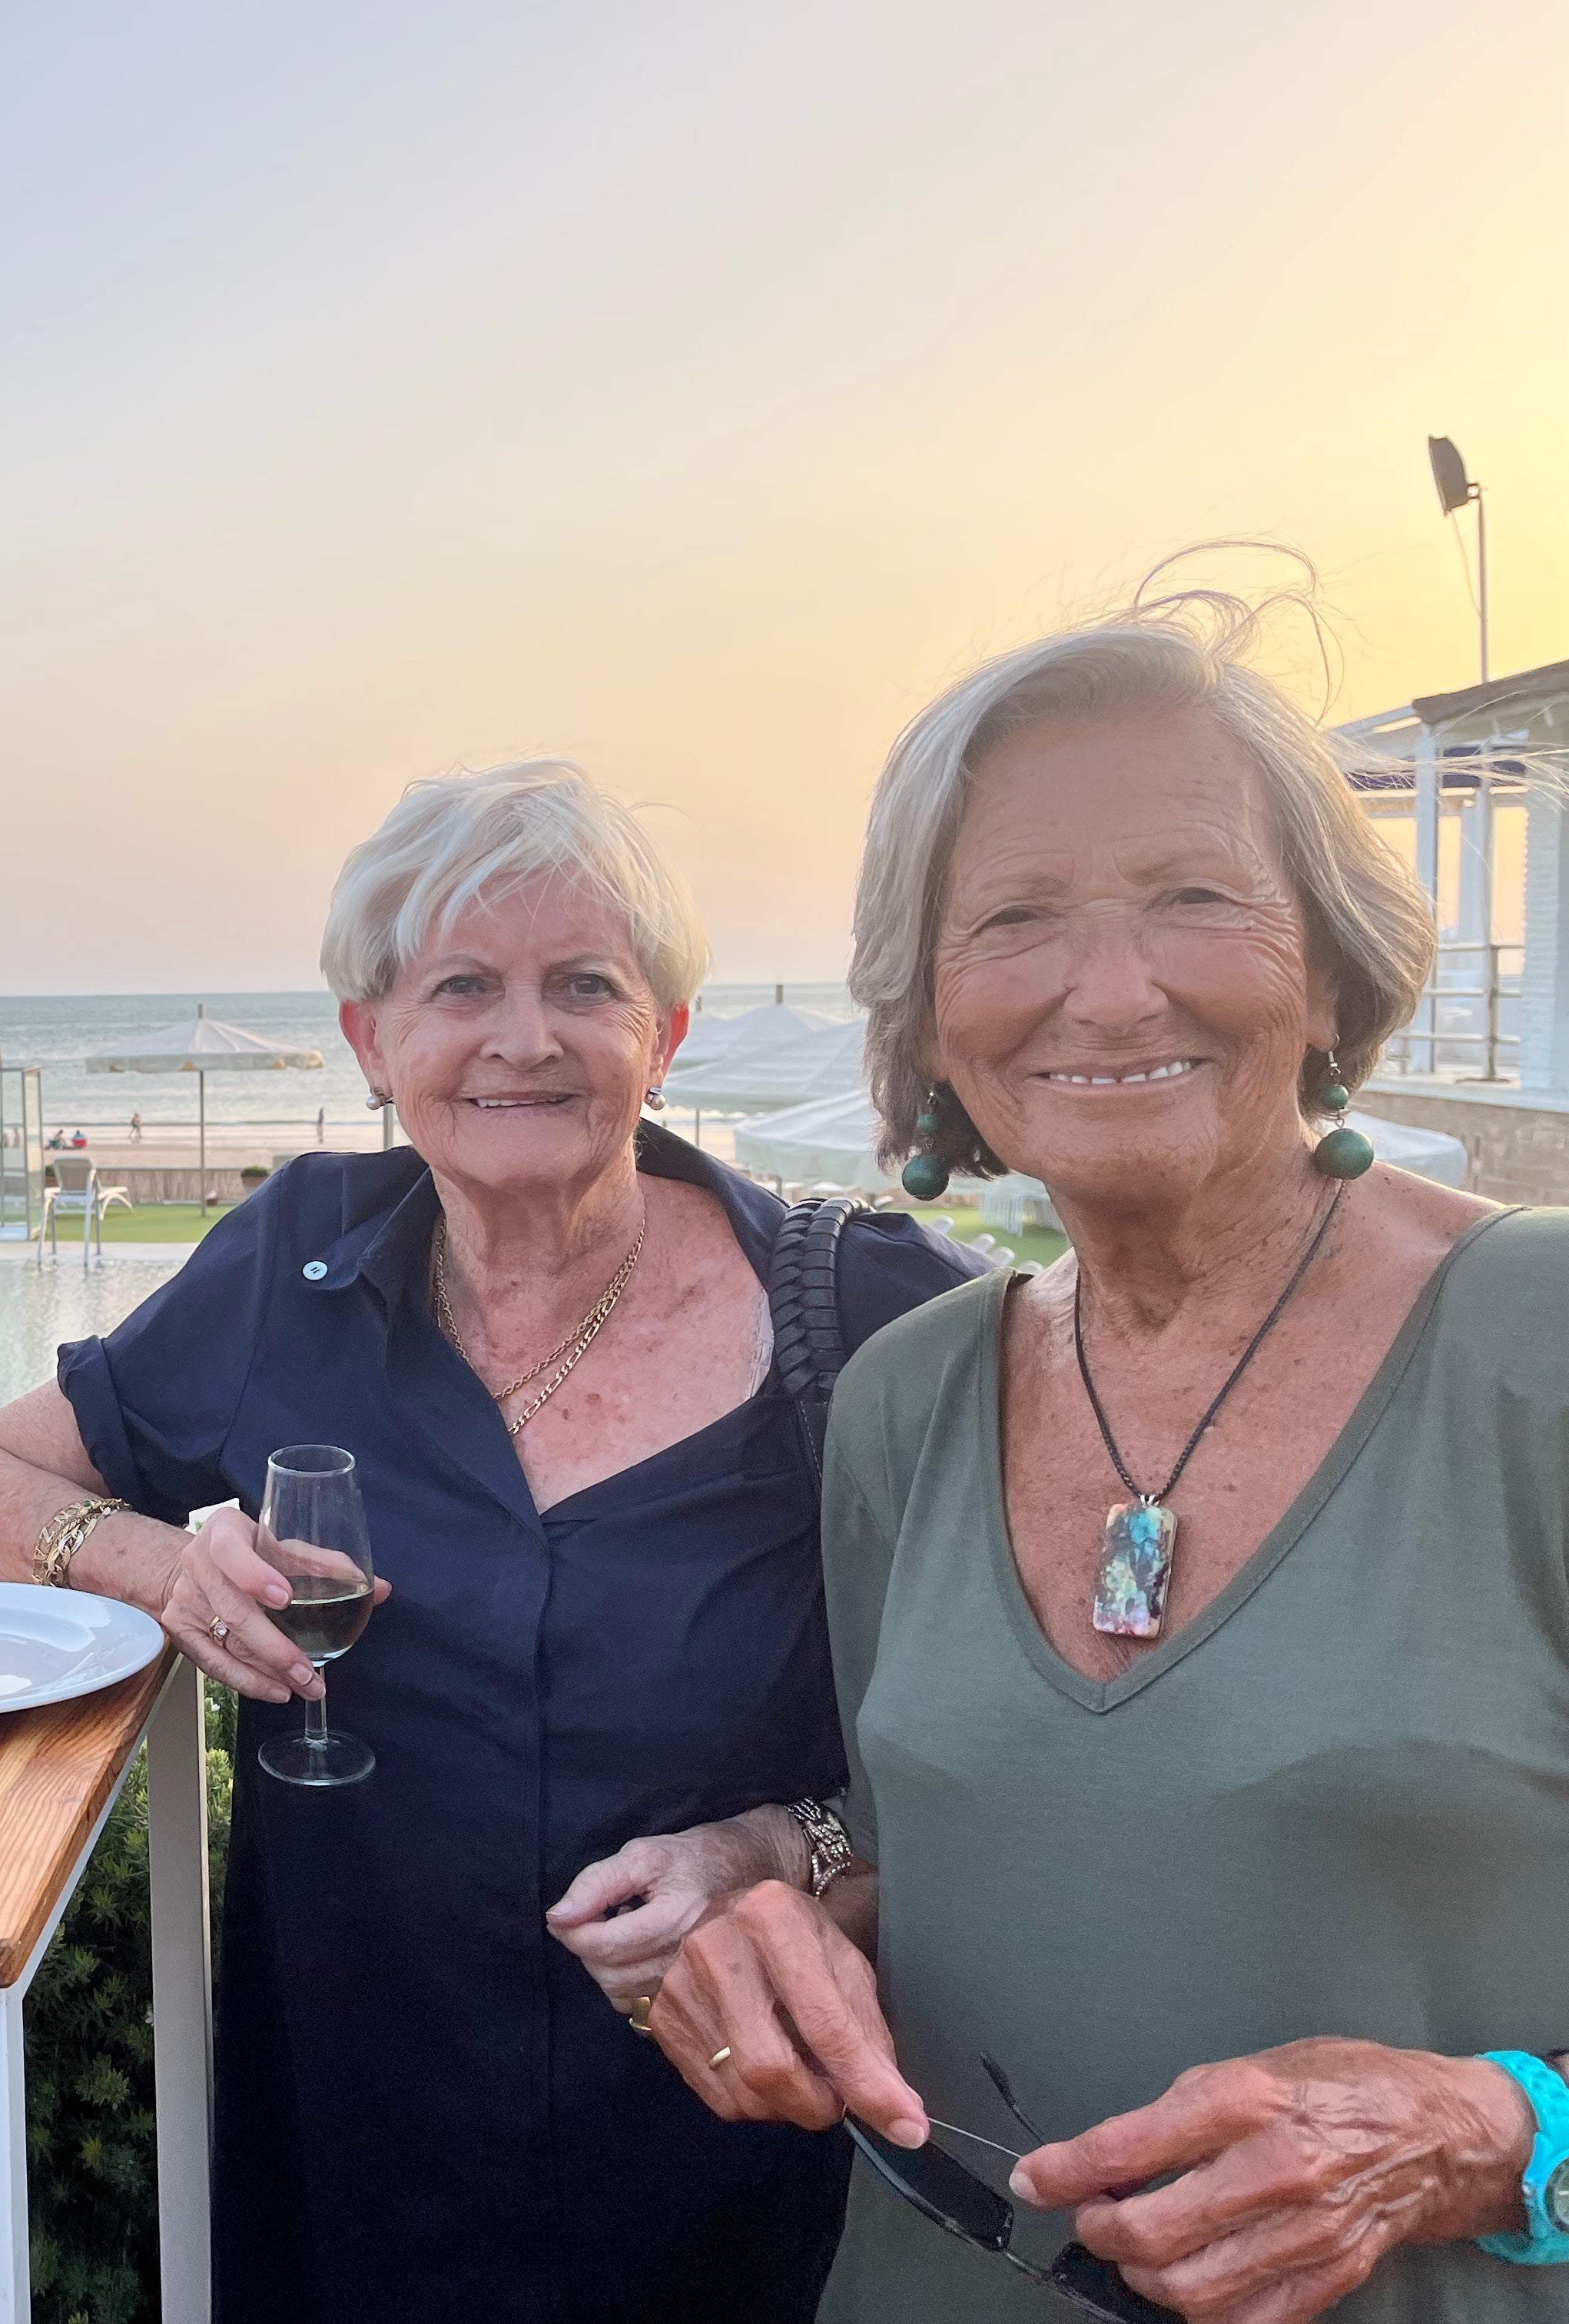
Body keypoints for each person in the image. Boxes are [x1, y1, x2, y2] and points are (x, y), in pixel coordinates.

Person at [0, 762, 976, 2320]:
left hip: (756, 2167)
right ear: (374, 1044)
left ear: (665, 1036)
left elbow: (1072, 1738)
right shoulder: (286, 1264)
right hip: (368, 2160)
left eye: (585, 986)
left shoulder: (867, 1310)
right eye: (461, 988)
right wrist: (157, 1564)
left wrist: (801, 1849)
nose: (523, 1037)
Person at [652, 584, 1569, 2321]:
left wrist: (1490, 2134)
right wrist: (774, 1913)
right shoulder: (908, 1397)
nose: (1108, 986)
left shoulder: (1541, 1343)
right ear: (929, 1023)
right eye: (1015, 919)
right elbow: (942, 1848)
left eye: (1195, 896)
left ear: (1333, 955)